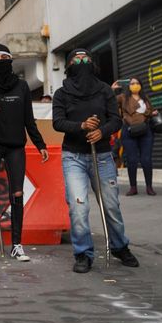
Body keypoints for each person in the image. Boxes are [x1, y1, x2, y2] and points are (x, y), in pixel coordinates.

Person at [52, 49, 139, 273]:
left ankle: (120, 246)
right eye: (76, 60)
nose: (82, 62)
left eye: (86, 59)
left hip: (101, 156)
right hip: (74, 157)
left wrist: (101, 132)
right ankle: (83, 253)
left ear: (93, 63)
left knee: (110, 205)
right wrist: (81, 126)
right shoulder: (62, 93)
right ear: (70, 65)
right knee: (78, 206)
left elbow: (116, 120)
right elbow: (58, 123)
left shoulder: (104, 90)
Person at [0, 44, 48, 262]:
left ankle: (16, 244)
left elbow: (28, 120)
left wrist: (40, 144)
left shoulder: (21, 86)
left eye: (5, 57)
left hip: (15, 147)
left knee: (17, 194)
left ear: (11, 60)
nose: (1, 60)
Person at [115, 77, 157, 196]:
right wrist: (112, 90)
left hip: (145, 131)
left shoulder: (145, 98)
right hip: (129, 131)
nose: (135, 85)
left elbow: (151, 110)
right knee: (132, 160)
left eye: (137, 83)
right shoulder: (123, 97)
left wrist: (153, 113)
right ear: (128, 86)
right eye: (132, 83)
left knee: (146, 160)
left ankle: (149, 187)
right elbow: (109, 101)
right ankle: (133, 187)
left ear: (141, 85)